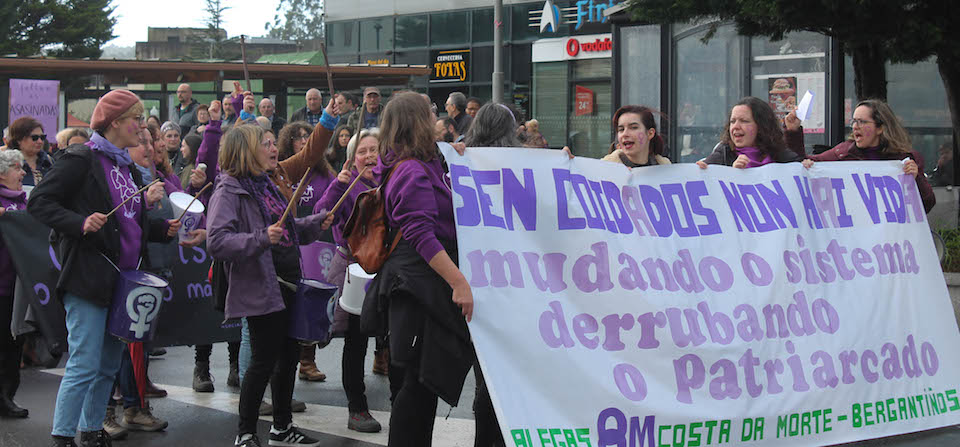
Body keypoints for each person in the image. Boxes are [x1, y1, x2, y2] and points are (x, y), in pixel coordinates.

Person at [28, 89, 178, 447]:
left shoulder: (125, 165)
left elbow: (130, 219)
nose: (141, 128)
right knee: (84, 363)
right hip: (88, 278)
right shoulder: (81, 158)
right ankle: (63, 436)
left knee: (109, 365)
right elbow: (39, 202)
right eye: (135, 119)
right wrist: (79, 222)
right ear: (114, 123)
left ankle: (92, 431)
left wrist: (163, 229)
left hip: (123, 283)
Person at [207, 124, 333, 447]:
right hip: (263, 284)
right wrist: (261, 238)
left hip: (289, 282)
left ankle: (281, 426)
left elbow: (288, 230)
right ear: (247, 151)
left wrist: (315, 223)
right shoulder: (230, 189)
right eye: (265, 144)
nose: (273, 148)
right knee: (263, 360)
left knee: (288, 357)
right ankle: (245, 433)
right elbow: (217, 241)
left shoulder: (269, 184)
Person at [363, 92, 474, 447]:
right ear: (417, 122)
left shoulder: (421, 162)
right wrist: (458, 282)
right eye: (430, 113)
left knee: (420, 386)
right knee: (414, 387)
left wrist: (453, 155)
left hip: (419, 282)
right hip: (416, 285)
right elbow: (420, 233)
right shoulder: (410, 169)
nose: (437, 117)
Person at [313, 128, 383, 433]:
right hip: (354, 268)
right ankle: (357, 408)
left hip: (386, 268)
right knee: (355, 340)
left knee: (389, 336)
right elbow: (319, 213)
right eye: (362, 151)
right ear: (352, 159)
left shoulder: (391, 180)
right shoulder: (345, 183)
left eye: (373, 150)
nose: (368, 156)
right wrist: (335, 188)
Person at [803, 99, 935, 213]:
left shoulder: (905, 160)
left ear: (880, 128)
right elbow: (803, 162)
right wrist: (794, 134)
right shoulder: (843, 153)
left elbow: (927, 205)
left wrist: (916, 178)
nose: (855, 127)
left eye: (862, 122)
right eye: (854, 121)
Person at [696, 96, 803, 169]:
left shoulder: (779, 154)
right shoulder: (722, 156)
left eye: (744, 121)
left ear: (761, 126)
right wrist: (730, 175)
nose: (735, 127)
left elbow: (797, 165)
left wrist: (805, 166)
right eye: (732, 121)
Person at [0, 150, 28, 419]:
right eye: (16, 169)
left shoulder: (24, 201)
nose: (22, 173)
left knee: (13, 342)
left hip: (19, 287)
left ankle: (8, 394)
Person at [601, 105, 671, 167]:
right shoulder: (603, 169)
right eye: (621, 129)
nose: (625, 134)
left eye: (633, 127)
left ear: (650, 133)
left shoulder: (666, 168)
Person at [7, 116, 54, 186]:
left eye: (42, 137)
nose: (40, 141)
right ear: (19, 139)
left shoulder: (49, 162)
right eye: (34, 138)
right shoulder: (7, 163)